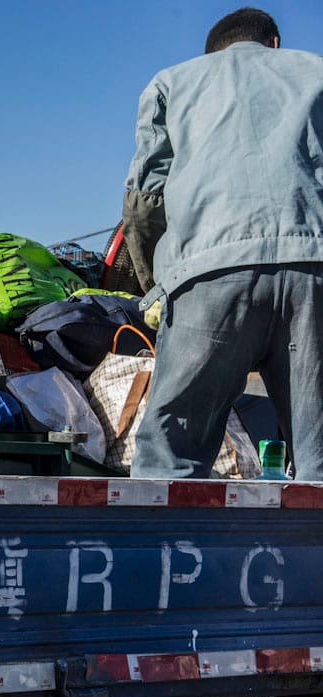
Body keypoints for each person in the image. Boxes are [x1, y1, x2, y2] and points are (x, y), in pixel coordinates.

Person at [122, 7, 323, 478]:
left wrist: (159, 285)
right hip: (316, 266)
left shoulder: (173, 81)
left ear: (213, 53)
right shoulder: (316, 70)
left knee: (171, 457)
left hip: (208, 272)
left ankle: (163, 548)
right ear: (273, 43)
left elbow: (145, 203)